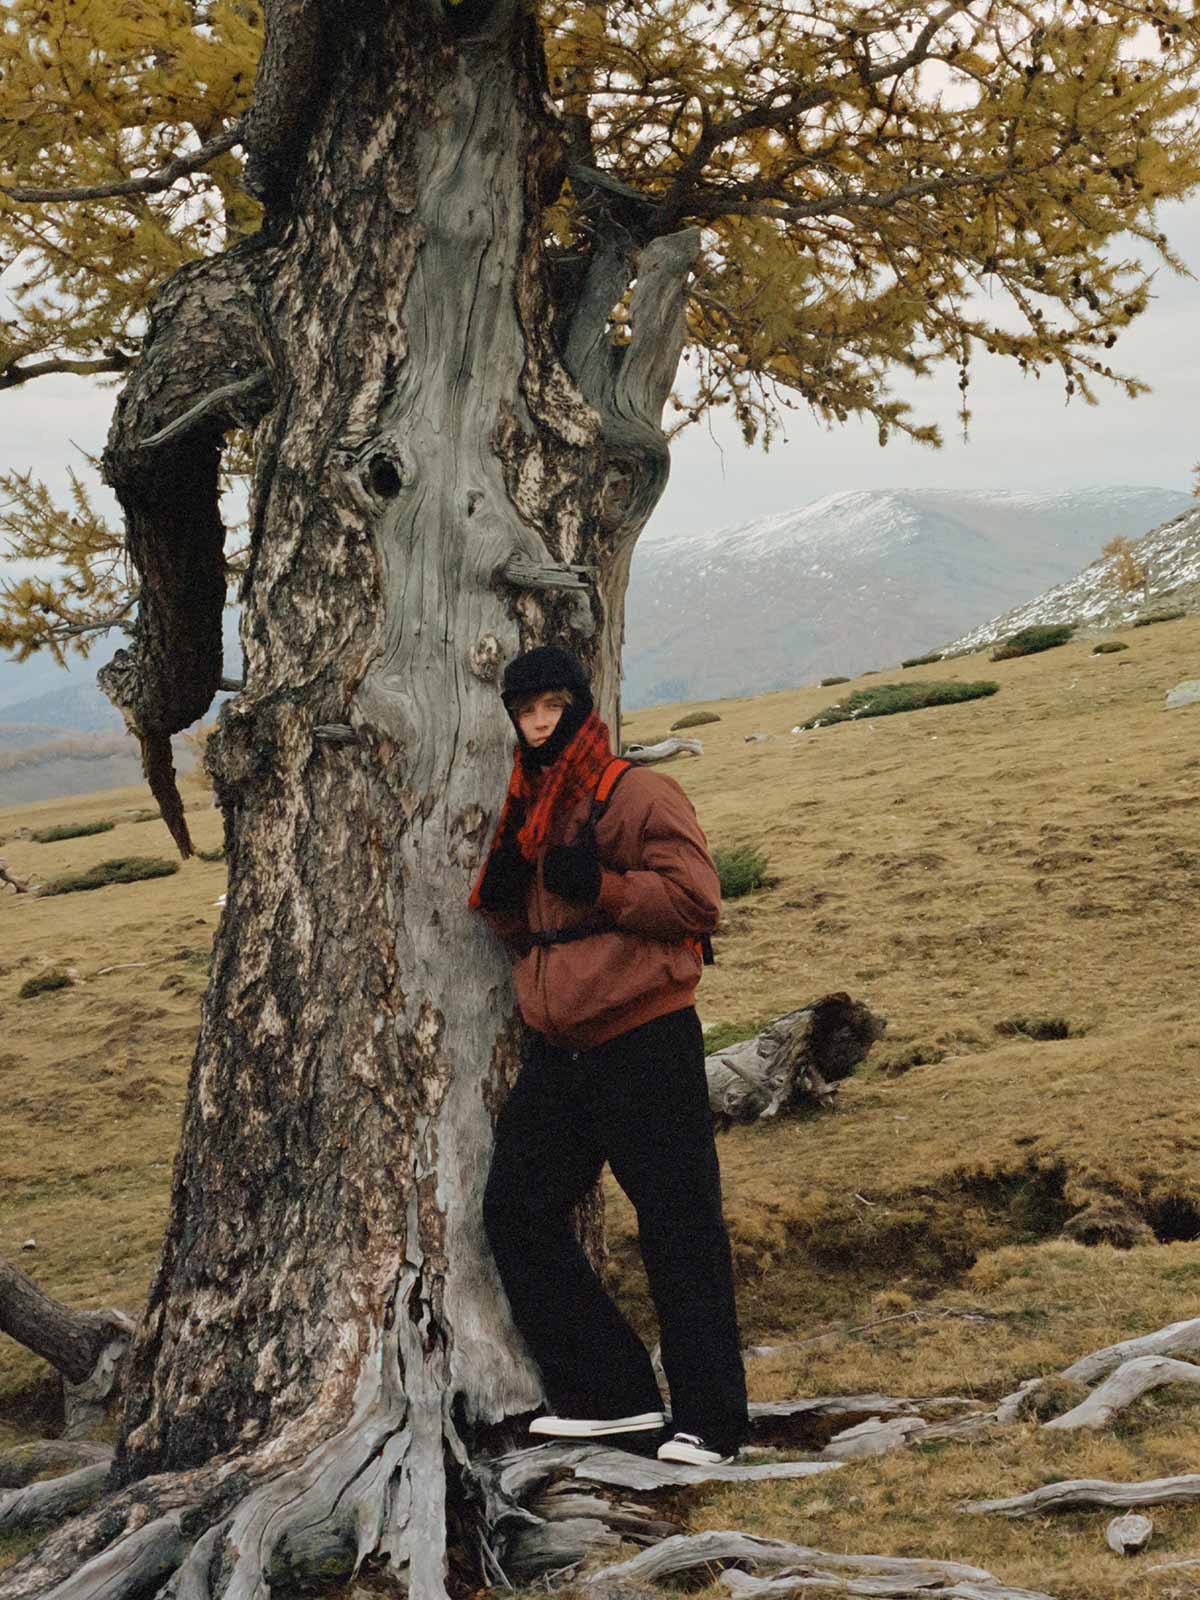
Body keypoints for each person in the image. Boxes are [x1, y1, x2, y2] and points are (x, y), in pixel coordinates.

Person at [470, 644, 749, 1466]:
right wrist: (512, 897)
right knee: (516, 1209)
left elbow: (698, 900)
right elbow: (534, 927)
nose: (538, 723)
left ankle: (713, 1424)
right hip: (563, 1050)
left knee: (678, 1223)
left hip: (645, 1036)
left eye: (552, 706)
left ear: (581, 707)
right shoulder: (529, 808)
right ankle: (612, 1397)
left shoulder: (637, 793)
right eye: (525, 711)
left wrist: (603, 885)